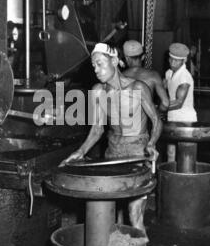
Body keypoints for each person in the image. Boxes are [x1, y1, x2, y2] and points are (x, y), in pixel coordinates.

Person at [62, 43, 162, 233]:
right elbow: (97, 128)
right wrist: (81, 151)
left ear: (115, 61)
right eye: (94, 66)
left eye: (100, 64)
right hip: (113, 152)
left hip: (138, 152)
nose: (96, 70)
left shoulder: (138, 88)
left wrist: (151, 143)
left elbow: (156, 120)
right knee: (110, 212)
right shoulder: (98, 91)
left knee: (134, 214)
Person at [165, 43, 197, 162]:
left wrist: (158, 108)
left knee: (185, 155)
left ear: (184, 60)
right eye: (171, 59)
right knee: (171, 152)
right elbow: (162, 89)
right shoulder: (168, 73)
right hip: (172, 117)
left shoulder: (185, 77)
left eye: (177, 61)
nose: (173, 63)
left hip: (185, 120)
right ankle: (170, 179)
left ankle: (186, 180)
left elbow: (178, 102)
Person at [123, 40, 169, 112]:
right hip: (145, 121)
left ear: (126, 58)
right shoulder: (153, 76)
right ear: (143, 57)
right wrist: (154, 113)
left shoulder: (120, 76)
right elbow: (165, 103)